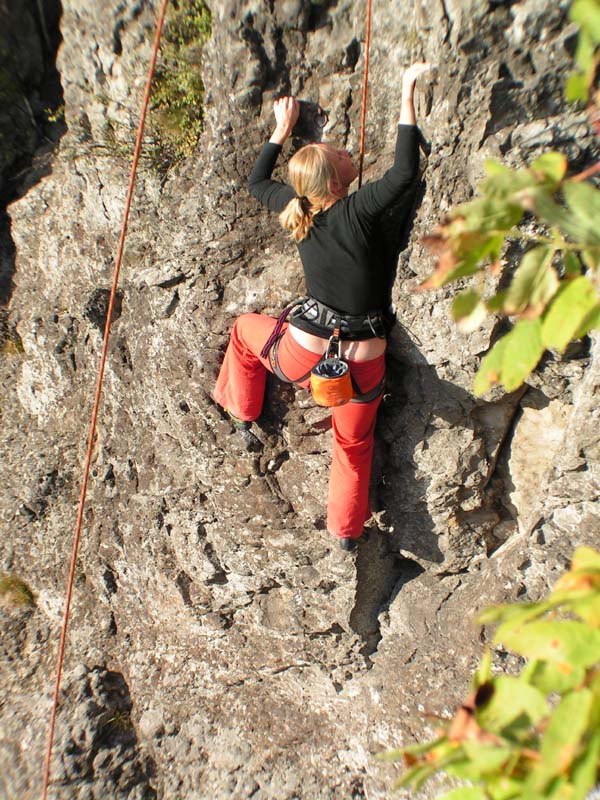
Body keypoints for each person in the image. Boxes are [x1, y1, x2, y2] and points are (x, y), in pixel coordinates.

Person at [214, 62, 431, 551]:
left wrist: (281, 130)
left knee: (246, 332)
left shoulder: (300, 210)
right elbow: (403, 172)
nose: (347, 151)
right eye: (340, 154)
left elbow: (256, 182)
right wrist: (406, 91)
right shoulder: (360, 209)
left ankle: (243, 412)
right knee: (353, 445)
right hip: (365, 360)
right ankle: (346, 532)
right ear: (337, 183)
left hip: (303, 352)